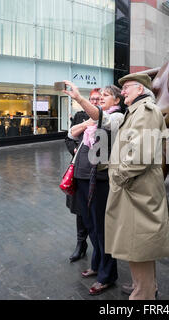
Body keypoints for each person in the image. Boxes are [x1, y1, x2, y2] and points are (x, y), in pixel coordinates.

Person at [104, 73, 169, 300]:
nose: (122, 91)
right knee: (138, 246)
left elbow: (140, 155)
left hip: (136, 190)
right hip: (136, 188)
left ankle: (142, 295)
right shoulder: (137, 111)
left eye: (127, 88)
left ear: (141, 90)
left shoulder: (146, 111)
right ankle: (145, 288)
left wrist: (119, 176)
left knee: (138, 247)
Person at [65, 82, 126, 295]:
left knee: (102, 230)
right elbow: (71, 134)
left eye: (106, 96)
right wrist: (87, 123)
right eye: (99, 96)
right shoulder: (93, 120)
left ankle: (107, 275)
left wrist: (80, 99)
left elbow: (103, 118)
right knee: (90, 226)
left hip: (100, 180)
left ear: (117, 100)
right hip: (82, 177)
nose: (100, 98)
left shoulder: (117, 117)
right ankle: (97, 264)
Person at [65, 89, 101, 263]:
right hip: (79, 169)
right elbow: (69, 138)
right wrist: (74, 149)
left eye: (98, 99)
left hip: (97, 171)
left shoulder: (106, 117)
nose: (94, 101)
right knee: (80, 210)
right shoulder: (80, 115)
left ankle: (99, 247)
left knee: (96, 210)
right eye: (92, 99)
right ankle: (81, 244)